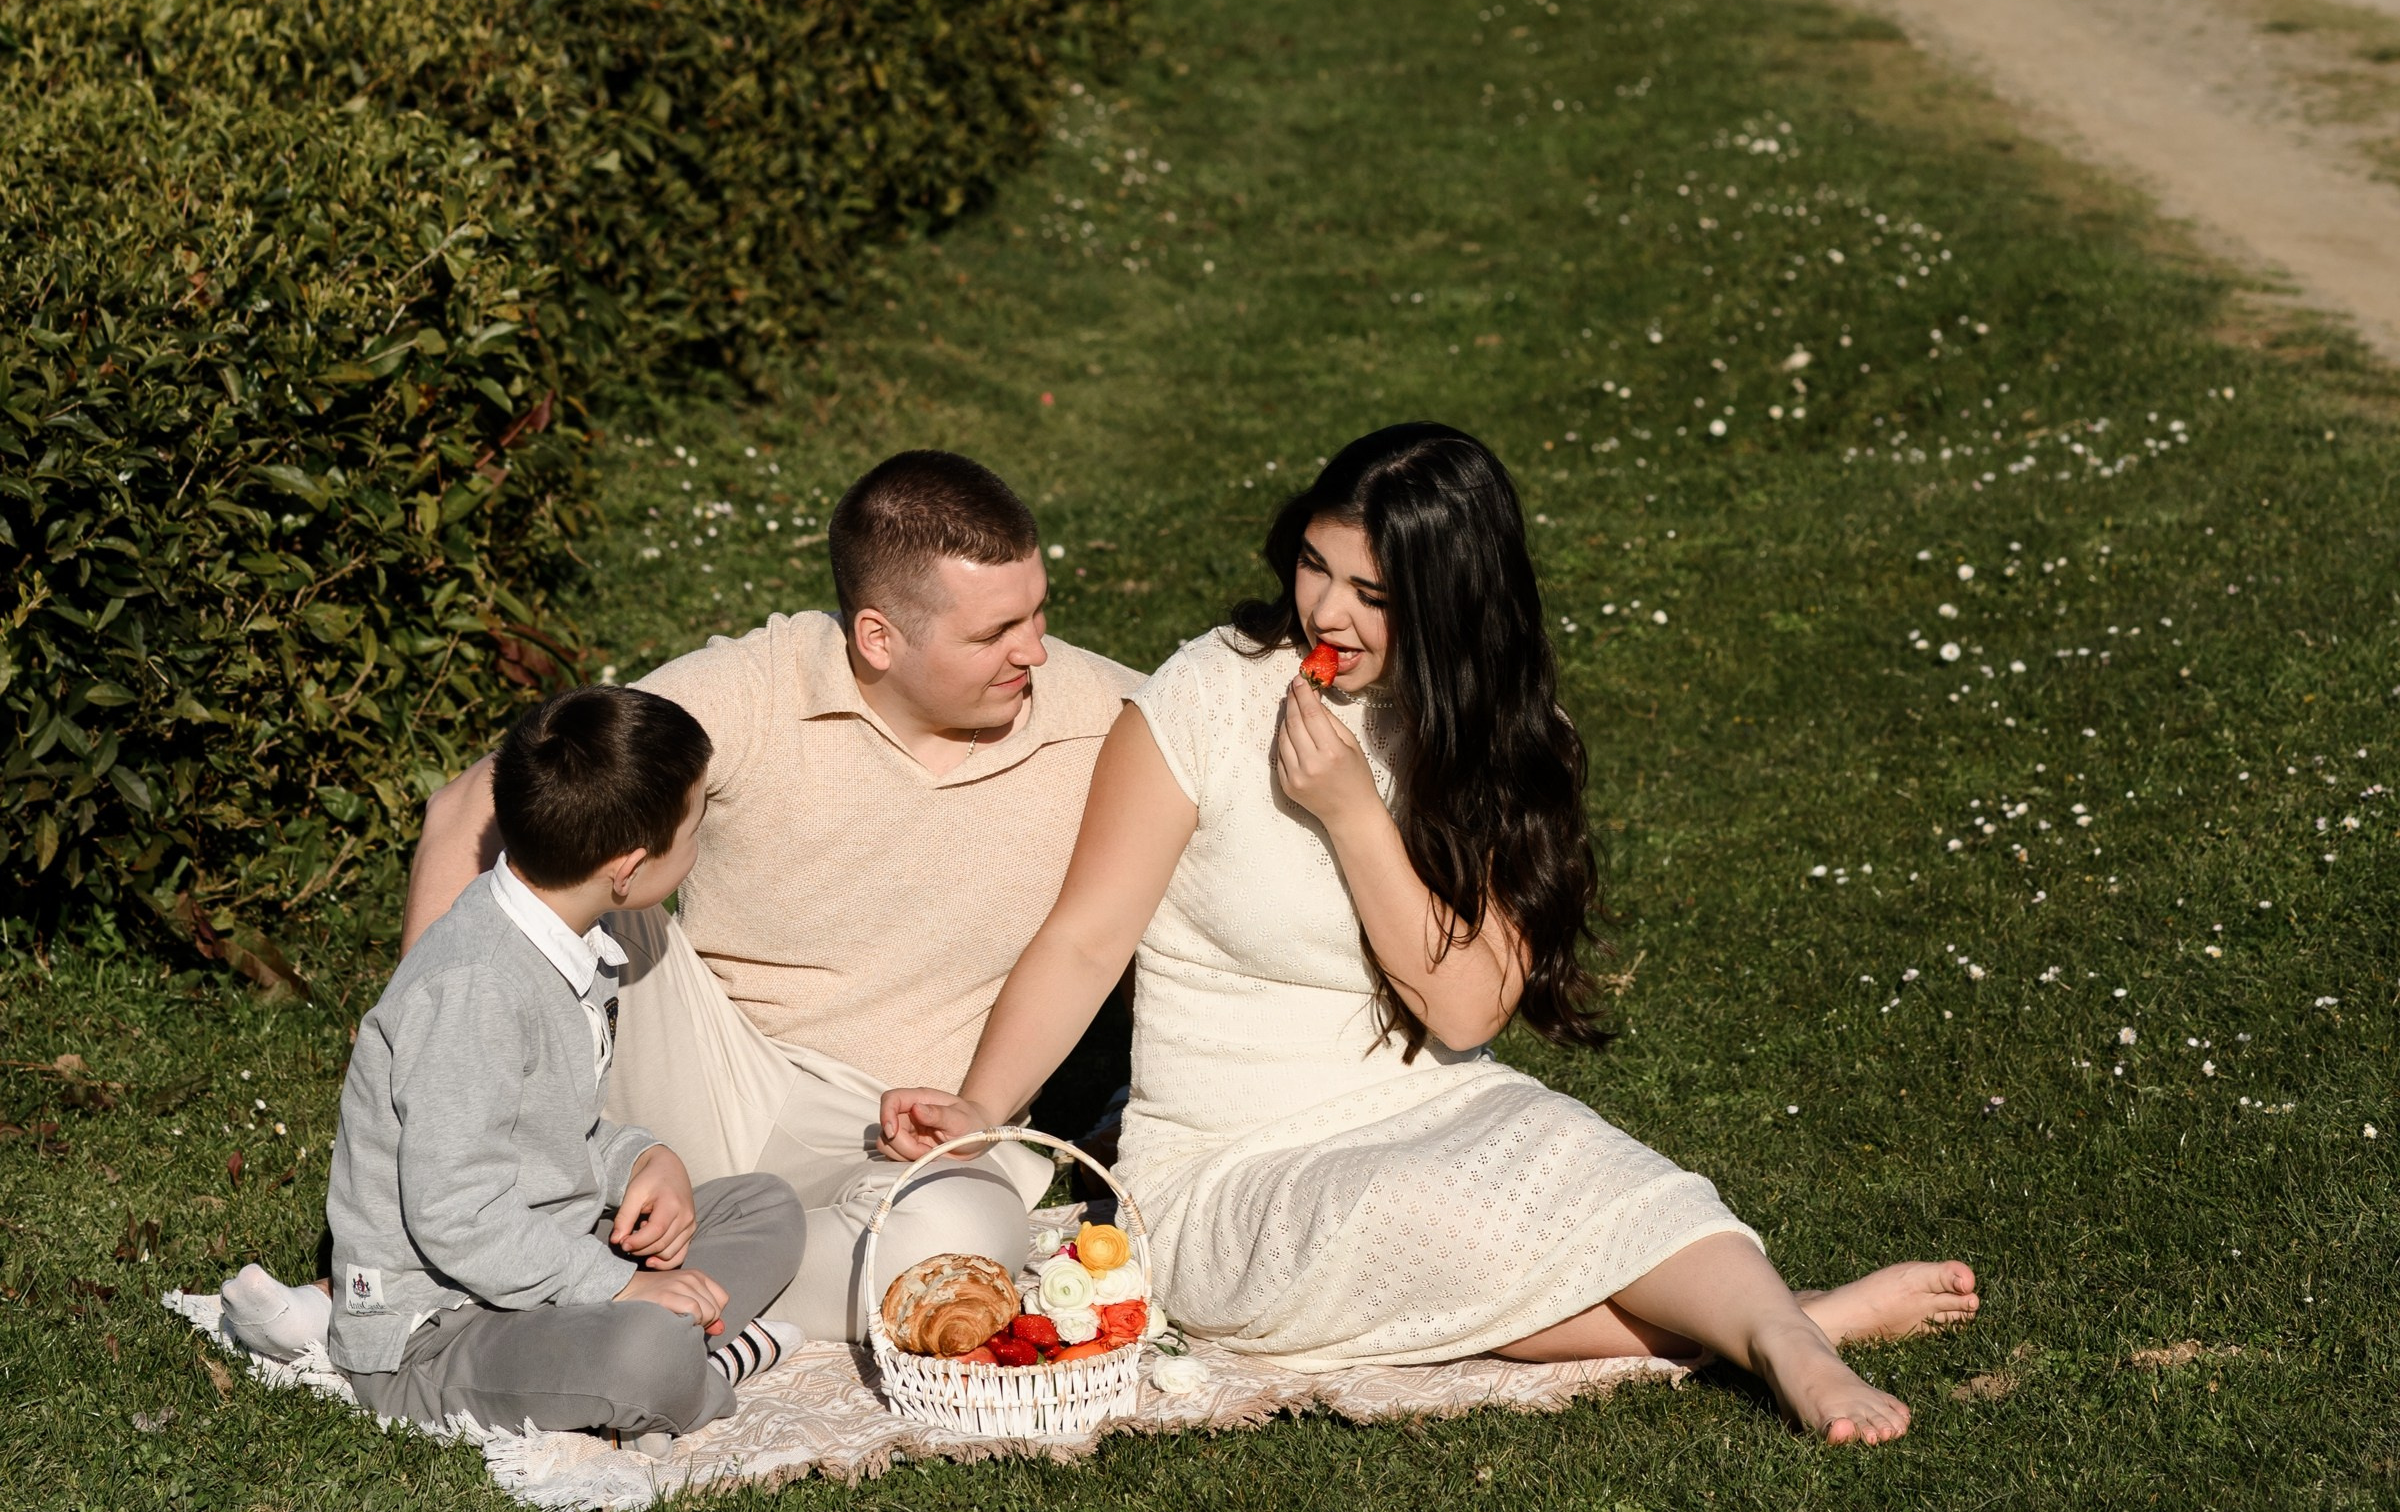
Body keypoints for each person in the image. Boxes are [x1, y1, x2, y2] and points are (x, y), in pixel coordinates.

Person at [881, 423, 1979, 1443]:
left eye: (1374, 593)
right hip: (1228, 1160)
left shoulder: (1487, 734)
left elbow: (1463, 1009)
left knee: (1584, 1162)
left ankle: (1783, 1337)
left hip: (1431, 1098)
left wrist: (1355, 814)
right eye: (1317, 567)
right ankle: (1780, 1321)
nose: (1327, 615)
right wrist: (985, 1106)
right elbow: (1084, 939)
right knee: (1415, 1212)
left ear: (1453, 606)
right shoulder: (1208, 699)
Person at [401, 449, 1141, 1340]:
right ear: (877, 637)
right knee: (580, 871)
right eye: (992, 634)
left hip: (907, 1128)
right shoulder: (757, 685)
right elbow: (467, 810)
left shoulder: (1107, 714)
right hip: (705, 1068)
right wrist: (431, 1089)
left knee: (960, 1251)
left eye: (1037, 613)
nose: (1033, 650)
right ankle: (459, 1224)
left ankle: (596, 1281)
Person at [327, 683, 803, 1439]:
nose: (700, 844)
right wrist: (620, 1289)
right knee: (643, 1354)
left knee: (767, 1207)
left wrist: (645, 1159)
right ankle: (693, 1368)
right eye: (695, 831)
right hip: (438, 1326)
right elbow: (455, 1218)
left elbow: (553, 1129)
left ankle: (679, 1349)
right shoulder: (475, 986)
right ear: (630, 868)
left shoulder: (568, 939)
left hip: (548, 1255)